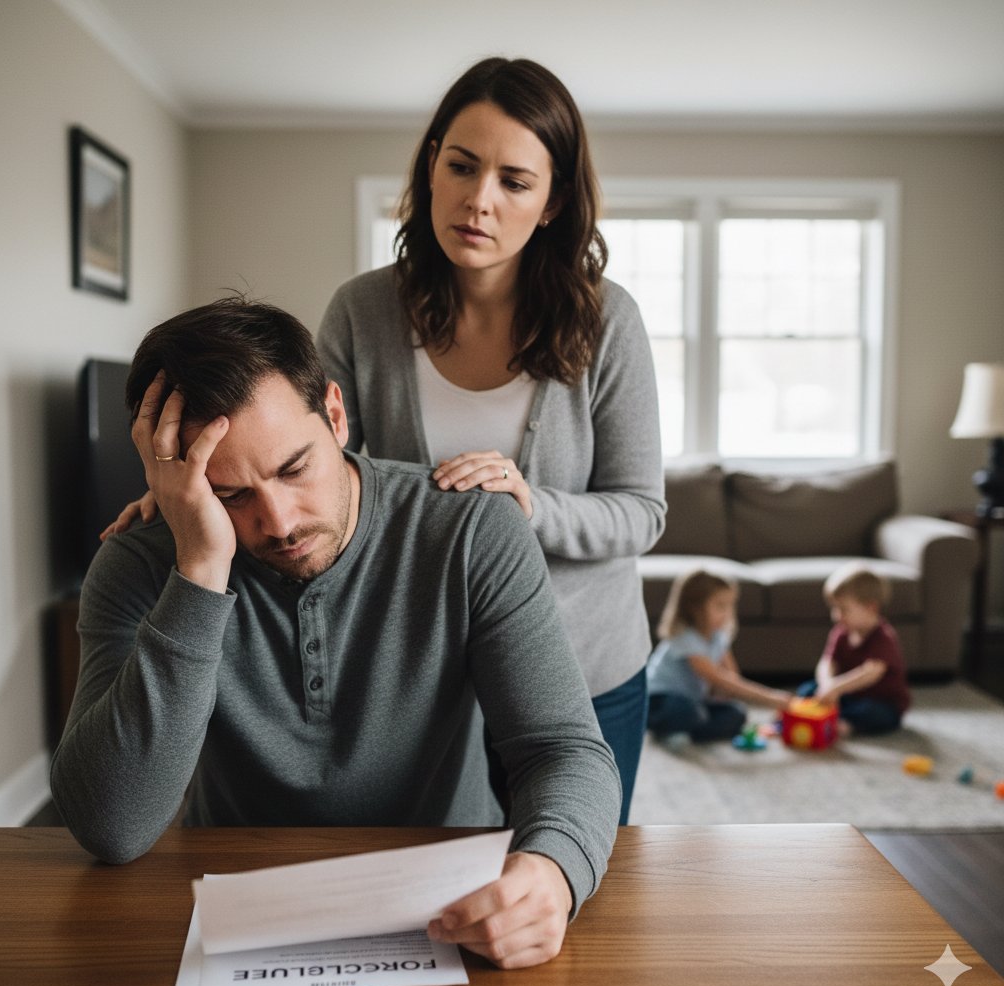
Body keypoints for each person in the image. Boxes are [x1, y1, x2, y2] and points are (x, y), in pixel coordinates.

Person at [51, 297, 621, 971]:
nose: (280, 520)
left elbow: (562, 749)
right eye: (230, 494)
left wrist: (554, 872)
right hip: (240, 904)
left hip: (449, 896)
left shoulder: (471, 533)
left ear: (337, 414)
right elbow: (112, 828)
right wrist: (200, 568)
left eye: (295, 468)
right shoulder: (142, 561)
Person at [316, 57, 665, 824]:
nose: (479, 201)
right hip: (417, 667)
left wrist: (528, 502)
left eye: (514, 180)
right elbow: (315, 473)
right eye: (462, 167)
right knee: (425, 887)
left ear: (552, 203)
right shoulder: (361, 311)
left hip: (584, 670)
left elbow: (641, 511)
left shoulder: (610, 322)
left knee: (572, 890)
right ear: (431, 166)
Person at [645, 569, 791, 743]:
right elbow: (718, 679)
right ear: (695, 607)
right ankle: (676, 727)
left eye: (730, 605)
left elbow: (732, 681)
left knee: (736, 714)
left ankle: (688, 731)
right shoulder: (683, 637)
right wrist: (772, 698)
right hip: (659, 701)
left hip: (694, 702)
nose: (728, 613)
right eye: (720, 606)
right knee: (686, 711)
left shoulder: (718, 638)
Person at [797, 562, 910, 736]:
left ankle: (845, 723)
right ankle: (822, 715)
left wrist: (836, 688)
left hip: (881, 702)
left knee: (872, 713)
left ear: (870, 607)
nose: (836, 615)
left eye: (843, 609)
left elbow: (871, 672)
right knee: (808, 690)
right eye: (834, 608)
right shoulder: (841, 633)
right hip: (848, 695)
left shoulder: (883, 637)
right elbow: (827, 662)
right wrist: (827, 684)